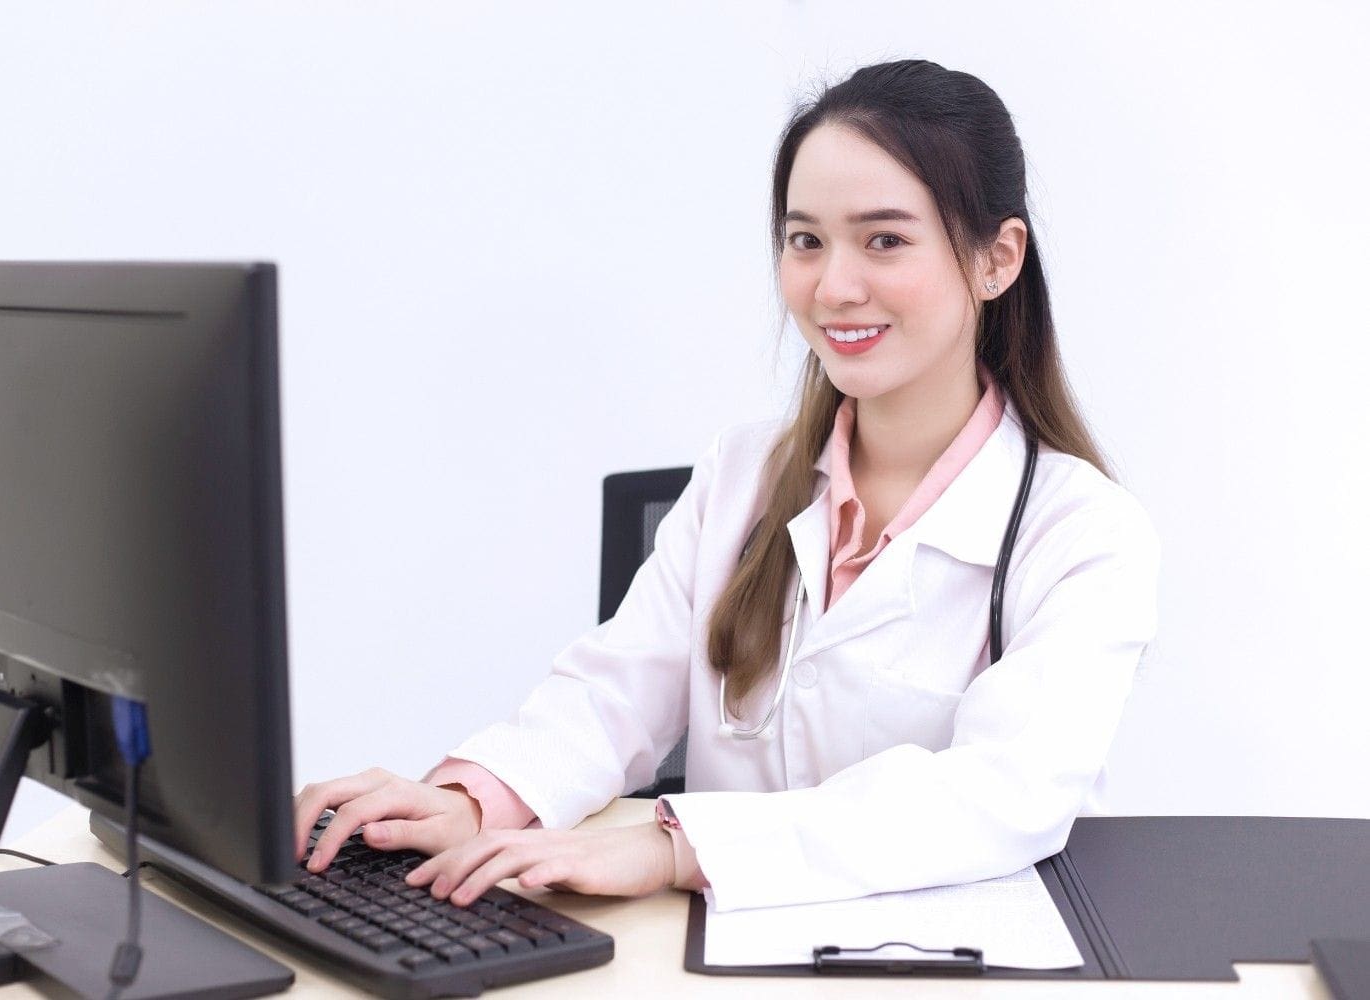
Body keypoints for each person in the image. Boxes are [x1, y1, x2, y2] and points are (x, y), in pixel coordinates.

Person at [292, 58, 1160, 914]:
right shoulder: (741, 476)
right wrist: (475, 800)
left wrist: (674, 849)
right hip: (718, 967)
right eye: (805, 240)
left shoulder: (1082, 532)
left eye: (885, 240)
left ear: (996, 259)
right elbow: (616, 692)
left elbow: (998, 793)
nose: (834, 286)